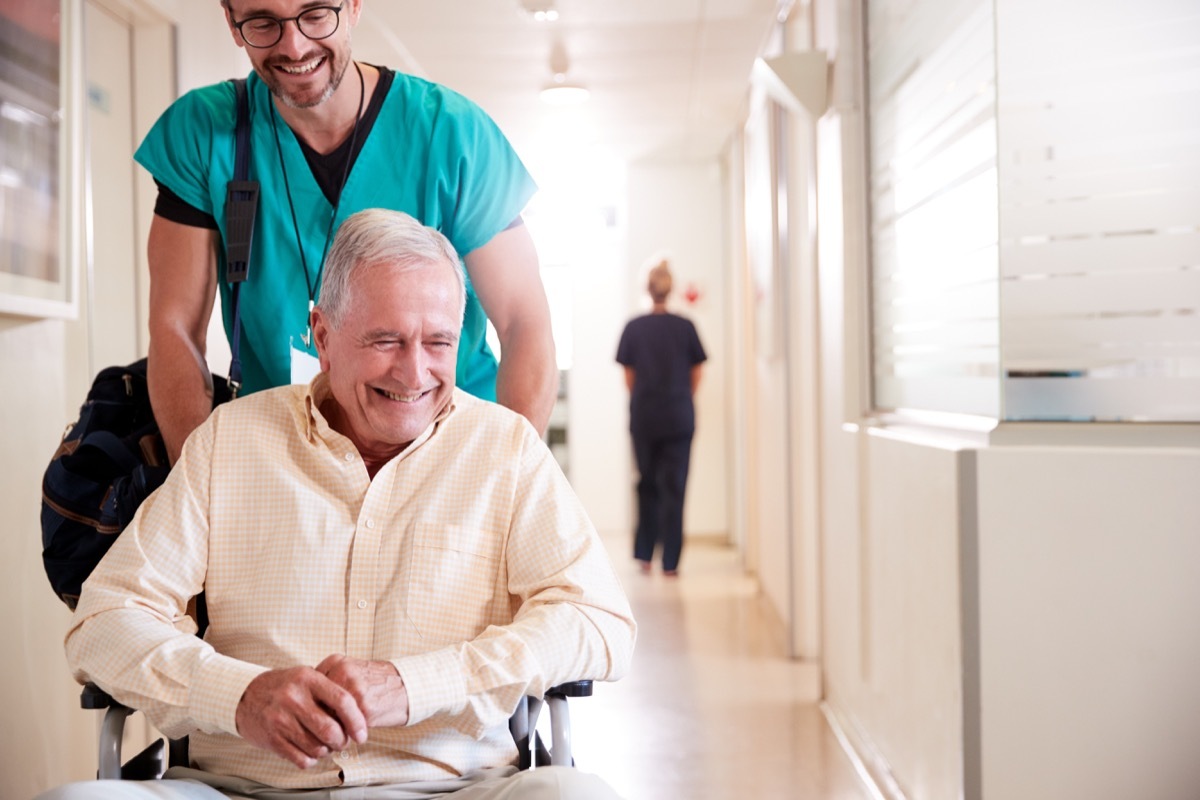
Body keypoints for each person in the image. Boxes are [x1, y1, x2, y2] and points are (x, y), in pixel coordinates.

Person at [39, 209, 636, 799]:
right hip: (240, 787)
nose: (415, 371)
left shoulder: (505, 450)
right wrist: (238, 695)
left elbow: (599, 621)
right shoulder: (231, 441)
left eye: (438, 342)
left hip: (455, 787)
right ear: (323, 336)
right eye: (386, 340)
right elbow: (105, 621)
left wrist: (415, 684)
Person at [141, 0, 557, 464]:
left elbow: (525, 322)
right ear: (232, 22)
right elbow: (174, 327)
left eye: (316, 14)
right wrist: (200, 482)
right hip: (283, 455)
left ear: (354, 5)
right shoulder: (205, 133)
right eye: (262, 23)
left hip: (447, 452)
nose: (294, 46)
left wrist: (513, 481)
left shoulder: (452, 135)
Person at [615, 259, 707, 577]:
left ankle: (644, 554)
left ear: (647, 288)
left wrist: (646, 398)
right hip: (679, 417)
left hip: (645, 417)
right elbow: (697, 373)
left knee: (646, 483)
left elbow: (629, 377)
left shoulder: (634, 328)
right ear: (672, 288)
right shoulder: (686, 327)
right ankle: (671, 561)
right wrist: (680, 398)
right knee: (676, 488)